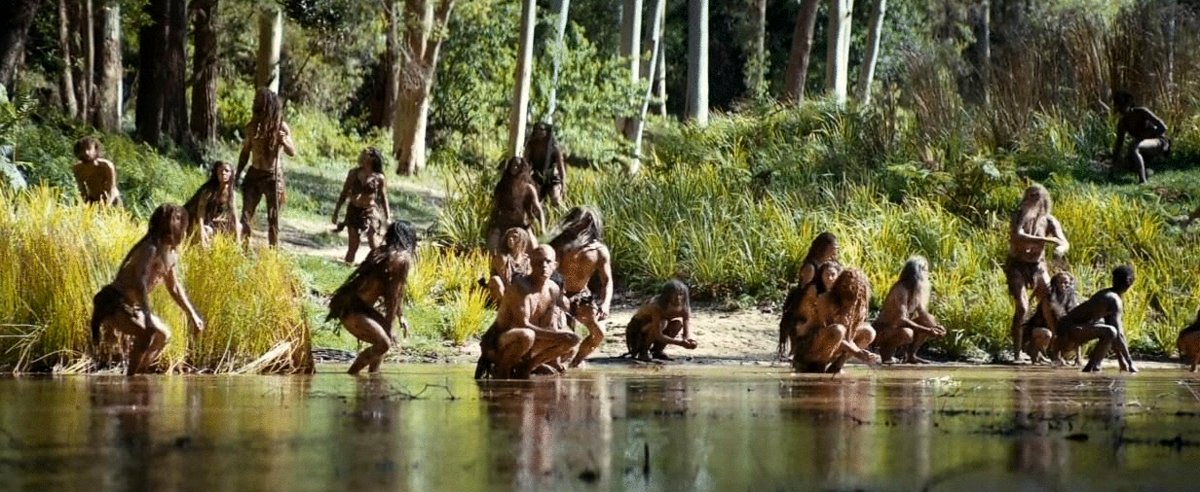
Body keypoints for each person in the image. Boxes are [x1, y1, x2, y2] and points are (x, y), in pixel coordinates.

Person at [89, 204, 204, 376]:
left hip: (131, 305)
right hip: (114, 302)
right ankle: (130, 380)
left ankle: (136, 379)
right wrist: (148, 317)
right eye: (175, 219)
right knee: (146, 332)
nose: (181, 224)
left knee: (163, 335)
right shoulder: (150, 249)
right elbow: (139, 283)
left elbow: (174, 287)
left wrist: (192, 314)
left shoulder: (171, 255)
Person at [475, 246, 581, 379]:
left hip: (530, 342)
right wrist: (558, 338)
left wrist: (557, 355)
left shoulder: (553, 289)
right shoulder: (519, 287)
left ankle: (527, 367)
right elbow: (523, 325)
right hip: (501, 342)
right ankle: (501, 369)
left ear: (555, 265)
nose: (543, 266)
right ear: (530, 263)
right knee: (527, 335)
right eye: (538, 262)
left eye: (548, 262)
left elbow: (547, 326)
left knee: (572, 339)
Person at [327, 221, 416, 375]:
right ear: (409, 239)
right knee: (384, 344)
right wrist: (390, 321)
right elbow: (392, 297)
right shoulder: (402, 259)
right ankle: (351, 375)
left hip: (352, 305)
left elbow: (396, 291)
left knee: (384, 342)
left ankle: (373, 379)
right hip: (353, 310)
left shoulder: (381, 252)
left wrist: (400, 316)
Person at [1004, 184, 1069, 362]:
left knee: (1051, 302)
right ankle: (1017, 353)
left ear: (1042, 199)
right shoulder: (1019, 215)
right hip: (1017, 265)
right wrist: (1046, 240)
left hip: (1038, 266)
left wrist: (1060, 249)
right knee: (1022, 307)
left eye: (1035, 196)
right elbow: (1017, 236)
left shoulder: (1049, 220)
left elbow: (1063, 241)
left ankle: (1055, 351)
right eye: (1029, 195)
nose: (1031, 199)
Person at [549, 207, 613, 367]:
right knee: (565, 336)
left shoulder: (599, 250)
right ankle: (555, 362)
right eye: (576, 223)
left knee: (598, 334)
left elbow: (607, 281)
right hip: (558, 293)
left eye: (583, 223)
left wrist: (605, 303)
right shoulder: (560, 244)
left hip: (582, 295)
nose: (579, 227)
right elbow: (546, 268)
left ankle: (576, 362)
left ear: (590, 223)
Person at [236, 87, 296, 248]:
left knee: (273, 218)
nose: (254, 103)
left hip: (273, 178)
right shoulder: (252, 127)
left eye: (257, 100)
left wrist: (284, 141)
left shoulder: (281, 127)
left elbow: (292, 152)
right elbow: (245, 153)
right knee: (246, 216)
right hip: (254, 175)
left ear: (267, 104)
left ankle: (272, 252)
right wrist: (237, 174)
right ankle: (244, 249)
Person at [792, 268, 880, 374]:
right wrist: (857, 353)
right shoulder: (825, 300)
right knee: (838, 330)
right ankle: (819, 366)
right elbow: (832, 333)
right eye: (844, 285)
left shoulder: (859, 306)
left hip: (834, 347)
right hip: (810, 349)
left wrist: (861, 353)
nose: (847, 287)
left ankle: (837, 366)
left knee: (869, 332)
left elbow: (848, 338)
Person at [1055, 265, 1137, 373]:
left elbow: (1115, 335)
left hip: (1072, 329)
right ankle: (1093, 367)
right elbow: (1118, 334)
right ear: (1129, 282)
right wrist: (1130, 363)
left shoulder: (1109, 296)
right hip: (1068, 331)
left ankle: (1092, 367)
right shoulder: (1113, 299)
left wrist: (1122, 360)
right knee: (1110, 331)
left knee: (1110, 330)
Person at [872, 256, 947, 364]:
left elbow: (922, 313)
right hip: (883, 329)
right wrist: (927, 331)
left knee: (929, 319)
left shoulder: (917, 290)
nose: (928, 274)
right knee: (907, 333)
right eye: (926, 270)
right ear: (918, 272)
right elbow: (901, 319)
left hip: (898, 327)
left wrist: (935, 328)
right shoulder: (901, 289)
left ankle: (911, 355)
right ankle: (886, 354)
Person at [778, 233, 838, 359]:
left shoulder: (830, 265)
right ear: (824, 247)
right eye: (833, 247)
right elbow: (802, 293)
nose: (835, 250)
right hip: (806, 307)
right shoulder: (811, 266)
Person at [332, 147, 390, 263]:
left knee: (373, 243)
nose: (362, 156)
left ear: (373, 158)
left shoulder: (379, 178)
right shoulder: (353, 173)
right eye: (362, 154)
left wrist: (387, 217)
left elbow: (384, 198)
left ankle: (380, 265)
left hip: (370, 211)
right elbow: (344, 193)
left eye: (366, 154)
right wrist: (336, 212)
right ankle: (347, 268)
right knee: (353, 246)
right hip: (354, 210)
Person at [623, 279, 695, 362]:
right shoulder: (656, 305)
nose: (678, 298)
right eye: (675, 295)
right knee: (663, 323)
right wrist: (680, 343)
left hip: (658, 327)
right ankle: (643, 351)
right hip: (638, 330)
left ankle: (657, 351)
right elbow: (658, 335)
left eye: (681, 295)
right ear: (667, 296)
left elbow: (686, 333)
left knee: (677, 324)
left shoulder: (684, 308)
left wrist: (689, 341)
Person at [485, 156, 544, 254]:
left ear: (522, 168)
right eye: (513, 165)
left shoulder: (528, 188)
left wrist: (543, 228)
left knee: (534, 249)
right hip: (503, 223)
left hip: (521, 225)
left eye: (517, 166)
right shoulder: (503, 186)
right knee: (492, 247)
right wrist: (491, 222)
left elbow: (538, 209)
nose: (514, 167)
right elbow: (495, 206)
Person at [1111, 89, 1169, 184]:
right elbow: (1118, 144)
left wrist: (1146, 136)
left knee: (1133, 147)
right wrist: (1114, 162)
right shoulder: (1123, 123)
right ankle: (1147, 171)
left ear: (1129, 102)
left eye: (1122, 105)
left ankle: (1143, 181)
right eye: (1118, 106)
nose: (1121, 109)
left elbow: (1163, 127)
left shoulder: (1142, 112)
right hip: (1142, 146)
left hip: (1159, 142)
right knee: (1127, 162)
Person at [1022, 272, 1078, 364]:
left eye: (1066, 282)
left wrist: (1078, 359)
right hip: (1039, 329)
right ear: (1055, 283)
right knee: (1047, 334)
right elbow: (1050, 322)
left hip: (1056, 330)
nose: (1063, 285)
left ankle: (1050, 355)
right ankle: (1034, 351)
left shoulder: (1071, 299)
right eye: (1060, 282)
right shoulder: (1048, 299)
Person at [183, 161, 240, 245]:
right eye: (220, 171)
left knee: (239, 227)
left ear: (231, 174)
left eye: (226, 171)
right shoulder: (208, 190)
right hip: (199, 221)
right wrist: (201, 231)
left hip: (216, 222)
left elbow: (235, 216)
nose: (223, 173)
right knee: (206, 232)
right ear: (216, 173)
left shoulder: (231, 193)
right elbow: (200, 213)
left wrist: (238, 241)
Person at [524, 122, 567, 206]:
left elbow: (561, 168)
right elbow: (526, 165)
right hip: (537, 177)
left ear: (547, 132)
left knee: (556, 199)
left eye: (541, 129)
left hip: (553, 178)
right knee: (533, 200)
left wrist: (563, 185)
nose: (538, 132)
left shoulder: (554, 147)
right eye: (536, 129)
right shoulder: (531, 146)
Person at [487, 227, 534, 302]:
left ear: (522, 240)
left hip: (522, 293)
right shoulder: (502, 258)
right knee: (495, 280)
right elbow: (506, 281)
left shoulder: (527, 260)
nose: (510, 239)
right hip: (506, 293)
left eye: (515, 237)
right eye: (509, 237)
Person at [71, 136, 120, 206]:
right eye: (83, 150)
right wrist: (86, 204)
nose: (86, 152)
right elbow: (82, 189)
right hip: (93, 200)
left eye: (89, 149)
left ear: (95, 149)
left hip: (112, 199)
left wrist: (107, 205)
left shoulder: (106, 166)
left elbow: (112, 187)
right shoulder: (77, 168)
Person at [1178, 308, 1200, 372]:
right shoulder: (1192, 332)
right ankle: (1194, 368)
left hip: (1187, 352)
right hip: (1189, 351)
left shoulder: (1187, 331)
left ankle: (1193, 368)